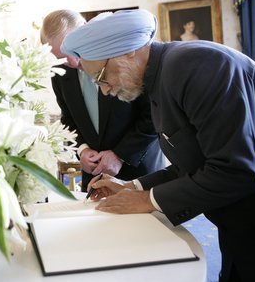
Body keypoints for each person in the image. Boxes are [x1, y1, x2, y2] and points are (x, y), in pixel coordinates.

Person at [61, 9, 255, 282]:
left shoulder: (198, 65)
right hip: (236, 222)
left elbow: (237, 171)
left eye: (102, 77)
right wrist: (132, 187)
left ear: (128, 51)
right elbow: (191, 166)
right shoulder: (160, 79)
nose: (104, 90)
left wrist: (147, 200)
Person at [40, 10, 165, 192]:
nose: (72, 62)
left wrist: (120, 155)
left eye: (72, 51)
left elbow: (153, 114)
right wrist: (82, 150)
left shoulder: (121, 56)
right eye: (61, 58)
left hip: (140, 169)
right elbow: (68, 120)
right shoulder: (60, 74)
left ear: (86, 32)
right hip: (94, 174)